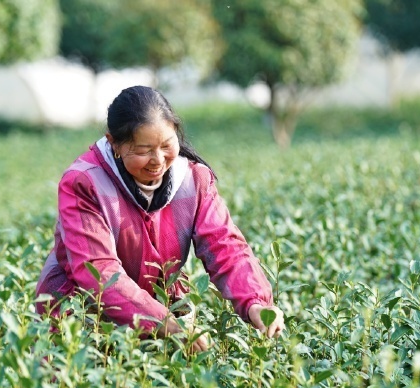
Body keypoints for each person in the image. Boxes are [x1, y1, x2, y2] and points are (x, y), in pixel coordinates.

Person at [35, 85, 284, 352]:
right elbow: (98, 273)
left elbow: (224, 245)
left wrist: (256, 301)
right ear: (114, 144)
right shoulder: (85, 182)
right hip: (83, 315)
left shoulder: (193, 180)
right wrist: (163, 323)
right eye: (143, 150)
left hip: (162, 309)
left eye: (167, 145)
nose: (158, 160)